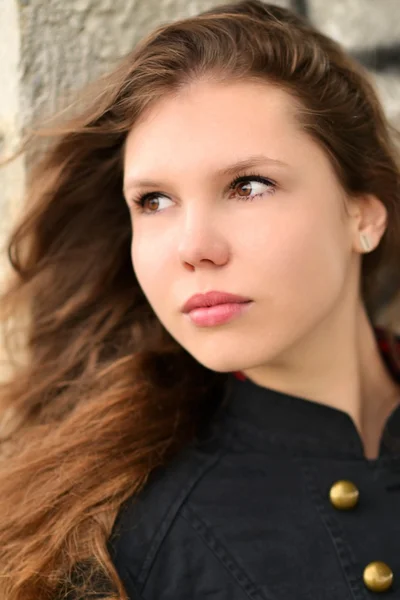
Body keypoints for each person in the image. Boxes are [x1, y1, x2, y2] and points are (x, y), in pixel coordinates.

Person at [0, 0, 400, 598]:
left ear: (362, 215)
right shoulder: (119, 546)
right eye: (155, 202)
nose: (193, 248)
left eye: (249, 186)